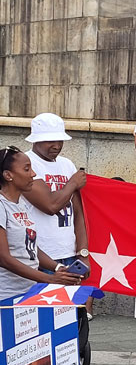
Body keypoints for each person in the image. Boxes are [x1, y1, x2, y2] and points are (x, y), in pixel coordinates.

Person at [23, 113, 92, 317]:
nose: (57, 145)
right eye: (50, 140)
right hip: (40, 256)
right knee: (43, 318)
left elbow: (78, 213)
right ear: (36, 140)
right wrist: (72, 183)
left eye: (60, 139)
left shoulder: (67, 164)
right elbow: (50, 205)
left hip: (69, 254)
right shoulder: (27, 164)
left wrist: (83, 253)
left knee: (69, 317)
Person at [0, 147, 82, 303]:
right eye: (27, 169)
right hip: (6, 296)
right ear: (8, 175)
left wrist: (58, 268)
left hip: (28, 292)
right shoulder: (1, 205)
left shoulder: (21, 204)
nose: (33, 174)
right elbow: (3, 258)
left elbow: (30, 247)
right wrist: (49, 279)